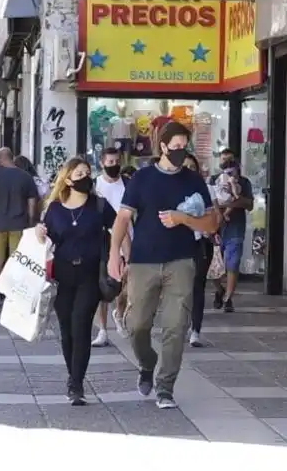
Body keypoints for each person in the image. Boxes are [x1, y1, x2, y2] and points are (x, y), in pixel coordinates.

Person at [108, 122, 219, 409]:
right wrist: (113, 255)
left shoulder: (193, 181)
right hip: (143, 261)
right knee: (137, 324)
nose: (181, 152)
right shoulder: (142, 179)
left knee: (175, 327)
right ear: (163, 146)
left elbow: (211, 223)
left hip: (181, 262)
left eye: (185, 147)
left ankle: (165, 387)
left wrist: (183, 219)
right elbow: (122, 219)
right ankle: (147, 362)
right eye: (176, 147)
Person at [35, 157, 128, 406]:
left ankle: (76, 384)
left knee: (81, 325)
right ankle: (72, 376)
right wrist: (39, 234)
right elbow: (44, 241)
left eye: (87, 172)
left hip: (89, 273)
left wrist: (121, 257)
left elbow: (119, 227)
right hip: (62, 275)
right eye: (79, 174)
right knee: (66, 330)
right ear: (67, 179)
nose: (85, 177)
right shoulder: (54, 209)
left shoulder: (99, 205)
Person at [0, 148, 39, 306]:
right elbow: (32, 203)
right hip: (19, 224)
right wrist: (31, 220)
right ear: (12, 158)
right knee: (17, 260)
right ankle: (15, 295)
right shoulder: (25, 177)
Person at [209, 148, 253, 313]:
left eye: (230, 160)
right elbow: (209, 202)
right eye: (224, 160)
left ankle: (228, 298)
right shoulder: (213, 180)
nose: (227, 163)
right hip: (215, 228)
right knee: (214, 266)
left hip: (235, 228)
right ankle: (220, 290)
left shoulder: (244, 182)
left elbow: (249, 204)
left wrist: (233, 202)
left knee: (232, 264)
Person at [93, 148, 129, 347]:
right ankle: (102, 329)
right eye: (110, 161)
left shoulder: (128, 184)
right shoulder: (95, 186)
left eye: (117, 161)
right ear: (102, 163)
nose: (114, 165)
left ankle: (120, 312)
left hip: (128, 236)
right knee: (104, 283)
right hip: (104, 240)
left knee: (126, 282)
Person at [183, 153, 215, 347]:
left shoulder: (206, 189)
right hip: (178, 243)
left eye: (192, 167)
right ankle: (182, 324)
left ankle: (195, 329)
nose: (188, 171)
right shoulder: (173, 189)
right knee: (180, 288)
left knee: (197, 286)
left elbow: (215, 218)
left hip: (201, 242)